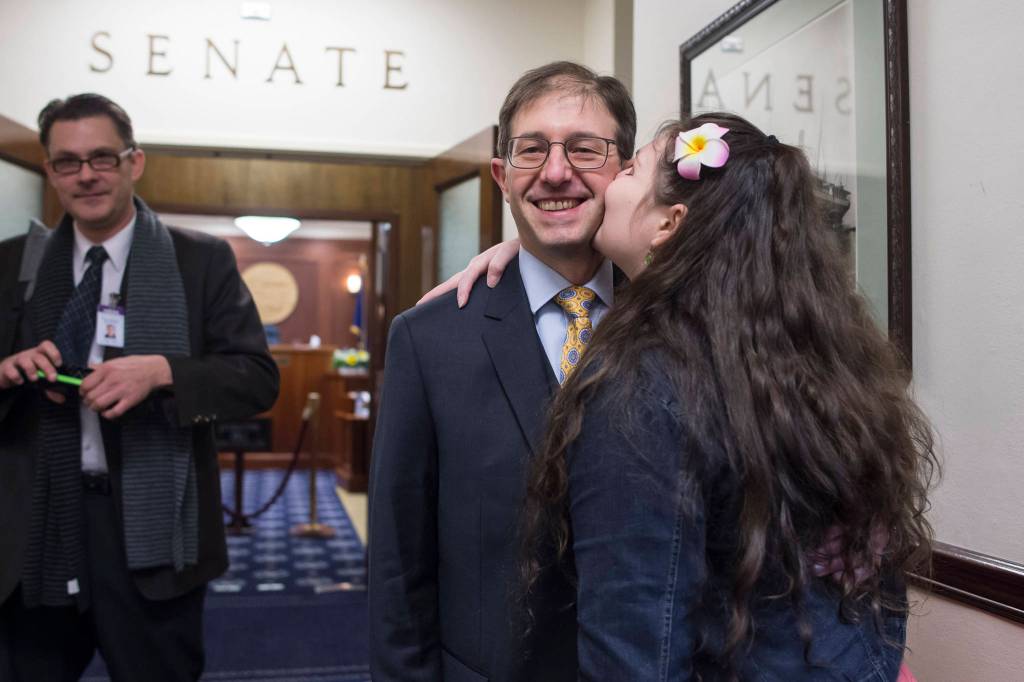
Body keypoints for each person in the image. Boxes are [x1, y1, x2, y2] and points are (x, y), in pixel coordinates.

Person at [509, 113, 936, 679]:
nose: (613, 179)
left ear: (669, 224)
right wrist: (518, 257)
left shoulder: (643, 388)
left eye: (632, 170)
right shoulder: (796, 360)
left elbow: (636, 650)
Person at [367, 61, 635, 681]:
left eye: (584, 149)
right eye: (531, 150)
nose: (556, 172)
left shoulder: (681, 321)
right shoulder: (429, 340)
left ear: (624, 171)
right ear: (502, 177)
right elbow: (398, 565)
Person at [0, 93, 279, 681]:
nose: (86, 175)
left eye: (102, 157)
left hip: (152, 535)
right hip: (38, 525)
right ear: (50, 171)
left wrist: (164, 372)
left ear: (135, 161)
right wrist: (7, 371)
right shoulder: (13, 264)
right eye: (68, 162)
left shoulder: (200, 260)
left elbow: (257, 380)